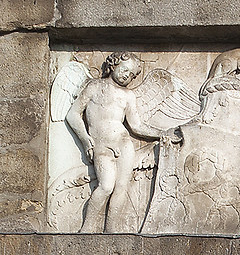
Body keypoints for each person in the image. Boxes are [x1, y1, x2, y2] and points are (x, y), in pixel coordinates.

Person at [66, 54, 170, 232]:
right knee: (106, 186)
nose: (126, 76)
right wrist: (86, 141)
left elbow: (136, 125)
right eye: (124, 70)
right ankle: (87, 228)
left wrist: (162, 134)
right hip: (102, 144)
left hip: (123, 143)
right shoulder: (95, 87)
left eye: (131, 74)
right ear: (113, 66)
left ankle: (111, 229)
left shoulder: (128, 95)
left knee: (121, 187)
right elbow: (73, 115)